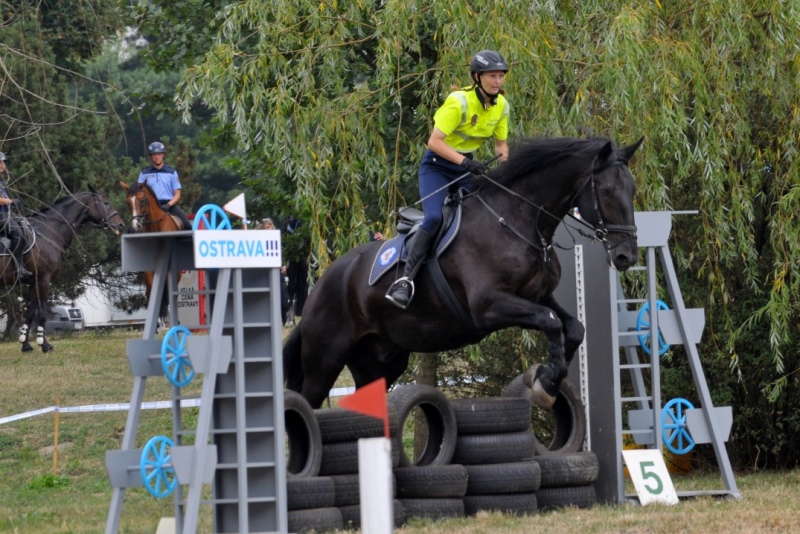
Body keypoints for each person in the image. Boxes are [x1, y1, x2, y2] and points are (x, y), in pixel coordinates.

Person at [386, 49, 510, 309]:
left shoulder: (502, 106)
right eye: (492, 76)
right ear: (477, 77)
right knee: (434, 217)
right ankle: (405, 279)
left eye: (500, 76)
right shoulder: (459, 102)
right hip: (437, 166)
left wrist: (506, 171)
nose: (497, 81)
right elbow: (434, 142)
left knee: (480, 216)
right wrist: (465, 162)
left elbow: (501, 146)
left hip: (466, 168)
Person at [137, 141, 191, 230]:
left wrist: (168, 205)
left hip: (169, 205)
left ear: (163, 155)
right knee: (132, 229)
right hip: (150, 207)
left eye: (159, 154)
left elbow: (177, 194)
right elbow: (139, 193)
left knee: (187, 225)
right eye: (154, 155)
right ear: (150, 157)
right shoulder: (144, 173)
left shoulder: (172, 172)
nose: (157, 157)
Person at [0, 152, 32, 278]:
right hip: (0, 216)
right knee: (18, 236)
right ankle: (19, 269)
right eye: (0, 162)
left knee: (26, 226)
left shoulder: (1, 181)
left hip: (5, 213)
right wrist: (11, 201)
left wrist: (13, 204)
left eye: (3, 162)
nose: (3, 165)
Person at [258, 218, 291, 324]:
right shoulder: (259, 242)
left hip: (278, 271)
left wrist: (285, 265)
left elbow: (283, 253)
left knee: (283, 297)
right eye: (265, 228)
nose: (268, 229)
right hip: (265, 272)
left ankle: (285, 319)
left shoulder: (277, 239)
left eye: (269, 227)